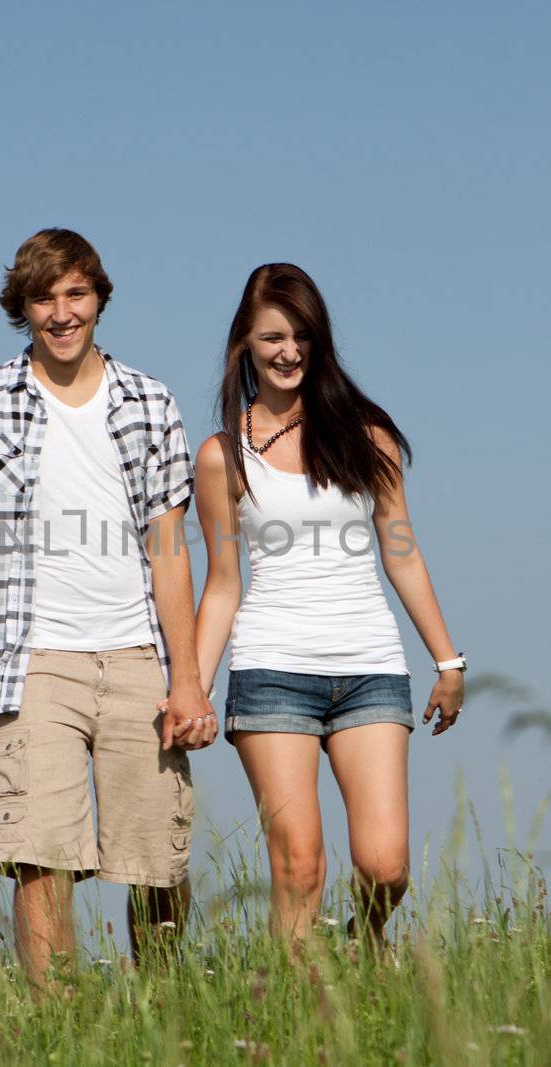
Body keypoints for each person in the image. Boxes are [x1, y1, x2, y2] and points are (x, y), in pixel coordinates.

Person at [0, 228, 216, 989]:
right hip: (34, 660)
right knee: (40, 856)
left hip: (136, 658)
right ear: (22, 306)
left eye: (75, 294)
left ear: (99, 299)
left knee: (158, 861)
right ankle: (58, 1027)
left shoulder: (149, 401)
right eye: (44, 297)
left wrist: (188, 679)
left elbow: (171, 548)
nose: (61, 313)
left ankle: (160, 1006)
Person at [189, 263, 465, 945]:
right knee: (300, 866)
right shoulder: (222, 456)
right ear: (245, 345)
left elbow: (400, 549)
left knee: (386, 865)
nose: (289, 352)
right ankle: (288, 1014)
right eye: (273, 336)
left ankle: (362, 939)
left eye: (302, 337)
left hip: (370, 666)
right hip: (273, 669)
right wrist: (189, 689)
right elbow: (223, 582)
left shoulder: (367, 434)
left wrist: (448, 659)